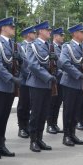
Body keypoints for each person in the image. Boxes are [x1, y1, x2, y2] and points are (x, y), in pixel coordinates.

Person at [0, 17, 20, 159]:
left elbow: (21, 63)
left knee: (4, 117)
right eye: (11, 27)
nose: (13, 28)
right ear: (3, 28)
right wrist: (11, 78)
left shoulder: (13, 45)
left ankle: (1, 144)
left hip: (9, 87)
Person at [26, 21, 54, 152]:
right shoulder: (33, 46)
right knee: (36, 113)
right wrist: (48, 76)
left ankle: (40, 138)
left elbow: (55, 63)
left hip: (47, 85)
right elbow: (33, 65)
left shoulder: (50, 46)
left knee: (44, 113)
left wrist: (56, 73)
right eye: (47, 30)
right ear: (40, 31)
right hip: (37, 83)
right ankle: (33, 141)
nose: (49, 32)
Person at [59, 23, 83, 147]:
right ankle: (66, 136)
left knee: (76, 110)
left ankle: (73, 133)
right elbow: (64, 63)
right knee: (68, 110)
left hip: (80, 84)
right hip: (70, 83)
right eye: (82, 32)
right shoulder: (67, 47)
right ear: (75, 34)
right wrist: (79, 74)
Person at [17, 26, 36, 138]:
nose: (35, 34)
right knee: (23, 105)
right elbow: (22, 64)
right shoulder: (21, 46)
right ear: (28, 34)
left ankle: (28, 125)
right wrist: (29, 74)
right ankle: (22, 127)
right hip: (24, 80)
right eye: (33, 33)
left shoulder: (34, 46)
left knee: (31, 104)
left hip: (32, 80)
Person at [46, 27, 64, 134]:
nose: (62, 37)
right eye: (61, 35)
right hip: (54, 79)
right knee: (52, 103)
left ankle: (55, 123)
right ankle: (49, 125)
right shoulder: (51, 47)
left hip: (61, 80)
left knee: (58, 103)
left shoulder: (61, 48)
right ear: (55, 36)